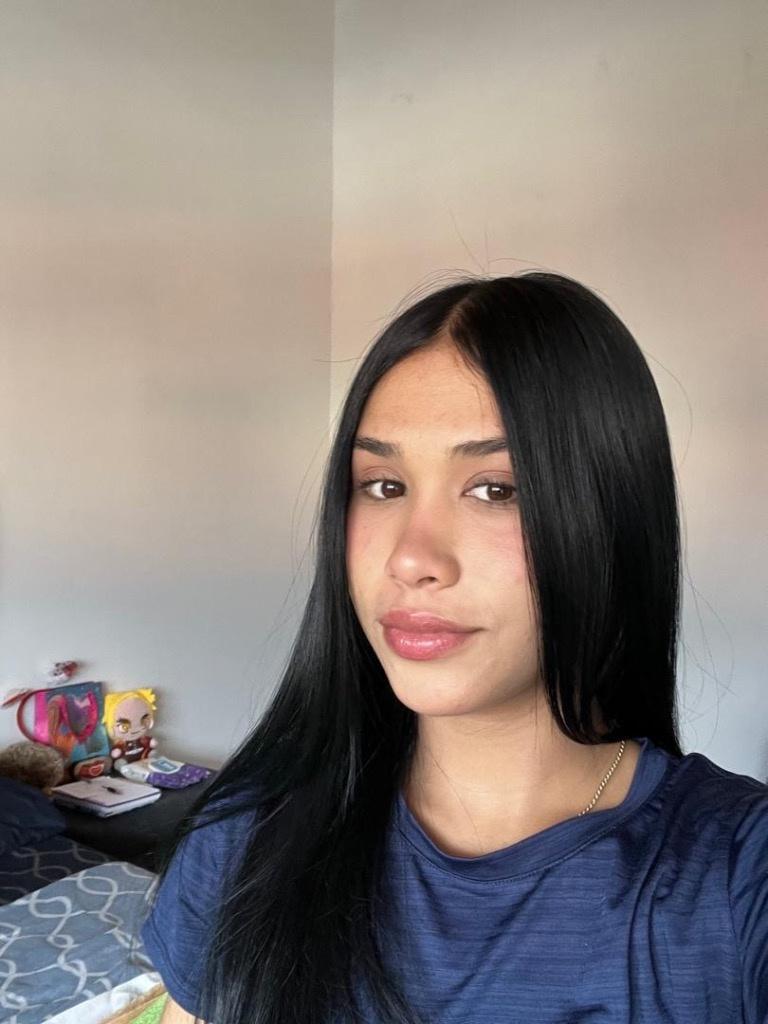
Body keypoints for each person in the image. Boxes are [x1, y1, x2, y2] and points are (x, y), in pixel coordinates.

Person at [142, 272, 767, 1024]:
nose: (411, 558)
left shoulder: (733, 876)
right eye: (382, 485)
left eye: (496, 489)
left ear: (611, 518)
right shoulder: (248, 834)